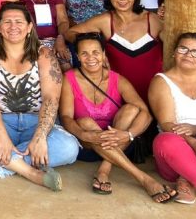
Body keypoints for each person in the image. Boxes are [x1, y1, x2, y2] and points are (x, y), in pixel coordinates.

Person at [0, 2, 79, 190]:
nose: (13, 27)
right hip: (1, 121)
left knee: (69, 149)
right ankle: (32, 173)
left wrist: (40, 137)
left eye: (19, 22)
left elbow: (51, 98)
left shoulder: (44, 54)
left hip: (36, 122)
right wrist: (1, 135)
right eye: (7, 22)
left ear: (29, 27)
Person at [61, 33, 176, 202]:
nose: (91, 58)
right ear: (78, 56)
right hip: (88, 145)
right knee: (85, 121)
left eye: (95, 52)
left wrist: (128, 135)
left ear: (103, 54)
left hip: (121, 142)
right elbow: (66, 117)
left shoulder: (117, 79)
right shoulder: (69, 78)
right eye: (84, 53)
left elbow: (146, 113)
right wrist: (85, 134)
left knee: (131, 109)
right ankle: (144, 178)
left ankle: (104, 170)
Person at [68, 0, 163, 103]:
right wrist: (97, 48)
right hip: (119, 98)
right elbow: (70, 32)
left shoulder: (152, 20)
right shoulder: (105, 21)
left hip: (156, 97)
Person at [149, 32, 196, 204]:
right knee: (164, 140)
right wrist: (195, 143)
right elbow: (166, 124)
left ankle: (188, 178)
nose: (188, 54)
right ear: (174, 52)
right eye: (183, 48)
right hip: (177, 151)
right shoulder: (161, 81)